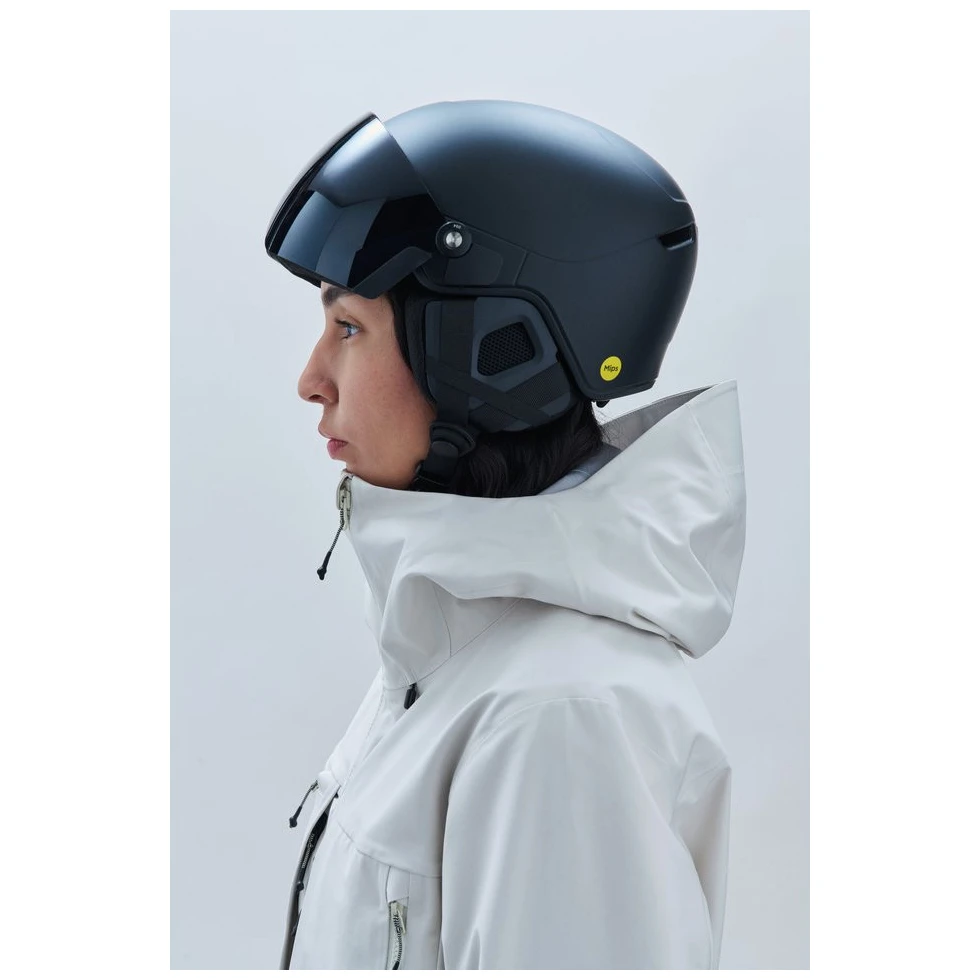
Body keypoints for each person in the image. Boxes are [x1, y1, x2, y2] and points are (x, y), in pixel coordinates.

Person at [266, 100, 747, 969]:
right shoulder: (449, 660)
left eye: (349, 327)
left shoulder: (559, 719)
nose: (311, 379)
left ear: (489, 353)